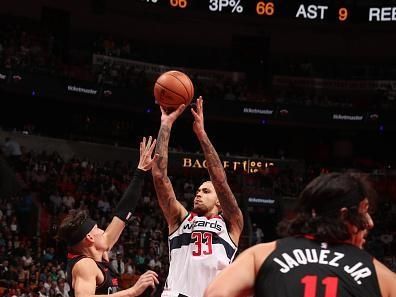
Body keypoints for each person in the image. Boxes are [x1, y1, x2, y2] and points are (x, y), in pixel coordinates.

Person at [204, 172, 396, 297]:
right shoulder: (380, 274)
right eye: (364, 211)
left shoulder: (262, 255)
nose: (370, 223)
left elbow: (215, 293)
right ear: (344, 215)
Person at [152, 97, 244, 297]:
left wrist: (201, 134)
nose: (198, 194)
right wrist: (166, 125)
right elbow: (159, 177)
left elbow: (220, 180)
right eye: (198, 191)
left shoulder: (231, 223)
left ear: (219, 200)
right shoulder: (179, 219)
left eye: (205, 191)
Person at [56, 137, 160, 297]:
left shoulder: (98, 252)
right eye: (97, 228)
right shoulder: (85, 265)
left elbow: (122, 214)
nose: (102, 230)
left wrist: (140, 172)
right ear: (90, 237)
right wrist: (132, 291)